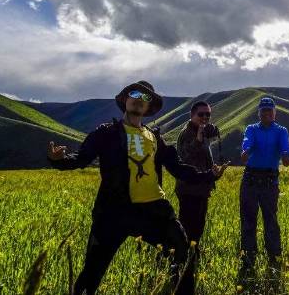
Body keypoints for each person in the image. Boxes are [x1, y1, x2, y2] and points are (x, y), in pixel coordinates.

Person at [47, 80, 224, 295]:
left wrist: (209, 175)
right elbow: (81, 158)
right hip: (114, 211)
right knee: (92, 272)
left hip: (154, 209)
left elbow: (178, 168)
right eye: (135, 94)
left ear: (149, 107)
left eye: (146, 97)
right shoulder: (107, 133)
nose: (140, 99)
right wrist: (58, 160)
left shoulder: (155, 137)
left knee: (182, 249)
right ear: (125, 99)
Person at [239, 96, 289, 273]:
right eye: (264, 111)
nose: (267, 114)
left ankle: (274, 257)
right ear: (259, 113)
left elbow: (285, 151)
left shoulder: (281, 131)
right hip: (250, 180)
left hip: (270, 181)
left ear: (275, 113)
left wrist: (286, 155)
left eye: (270, 111)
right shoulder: (251, 129)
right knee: (248, 220)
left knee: (271, 220)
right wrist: (246, 150)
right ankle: (248, 257)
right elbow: (247, 143)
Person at [175, 101, 225, 277]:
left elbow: (204, 159)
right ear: (192, 115)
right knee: (187, 227)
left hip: (202, 189)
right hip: (188, 190)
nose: (205, 118)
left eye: (208, 115)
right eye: (201, 114)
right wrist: (197, 139)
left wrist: (215, 174)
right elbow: (183, 158)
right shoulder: (185, 134)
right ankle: (181, 262)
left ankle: (192, 257)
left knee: (198, 226)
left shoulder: (204, 134)